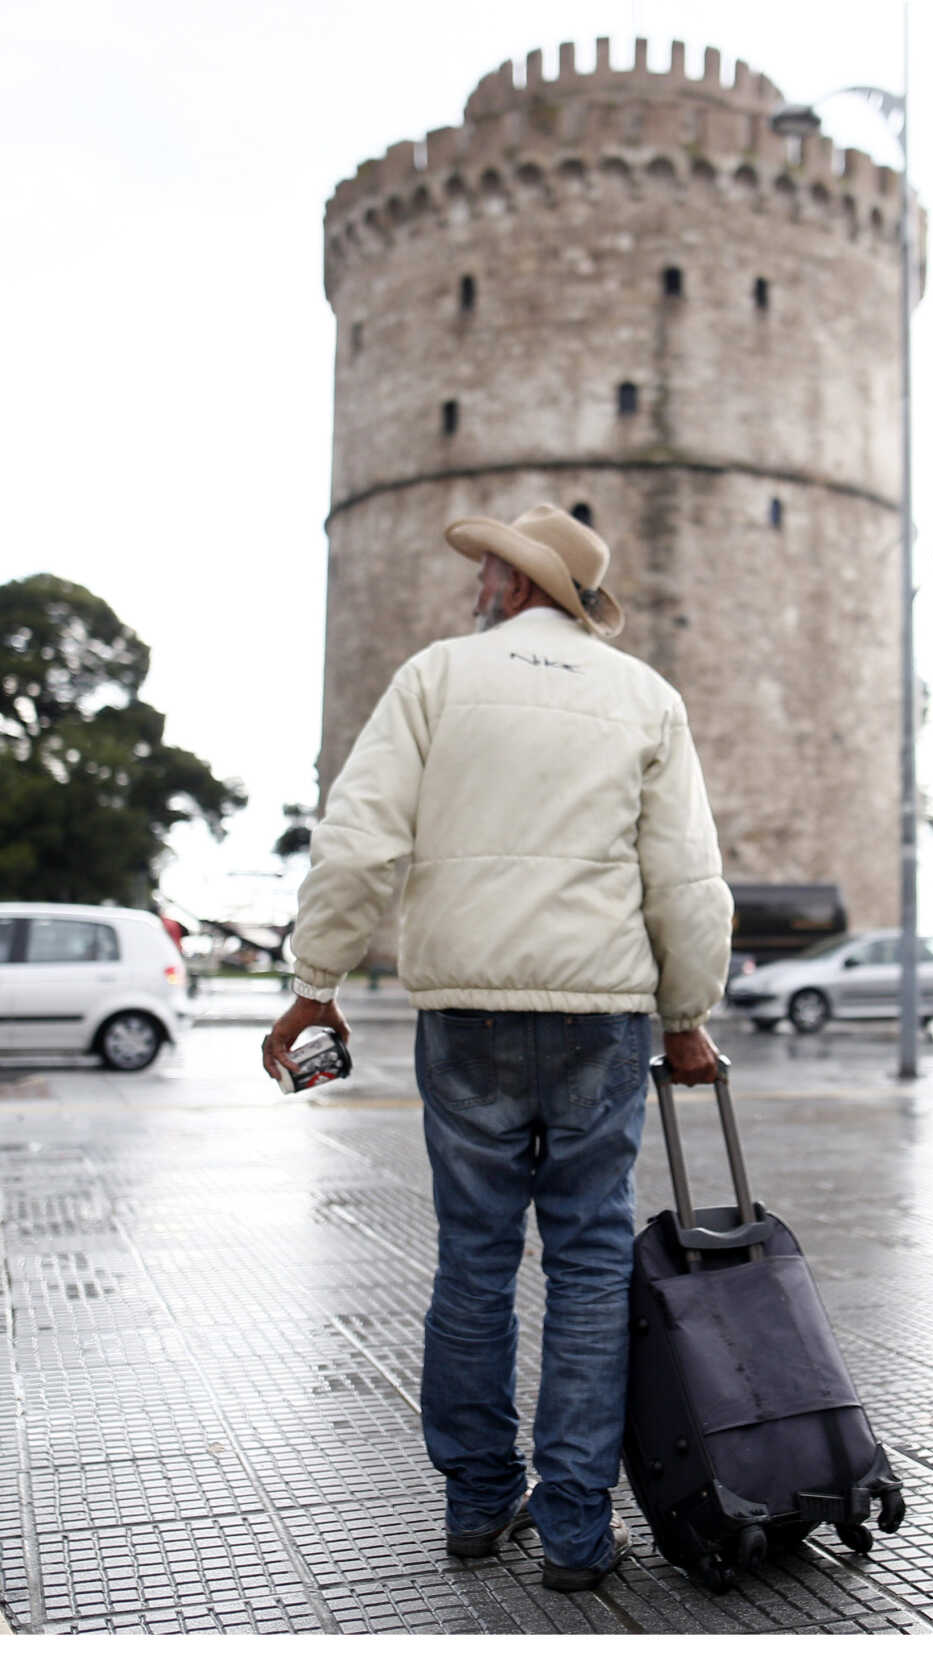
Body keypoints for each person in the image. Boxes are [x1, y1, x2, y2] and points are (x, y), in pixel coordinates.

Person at [263, 502, 732, 1593]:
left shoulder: (435, 678)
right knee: (587, 1269)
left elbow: (358, 838)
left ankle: (478, 1501)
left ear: (518, 588)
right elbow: (687, 880)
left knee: (473, 1263)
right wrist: (687, 1015)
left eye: (488, 568)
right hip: (600, 1018)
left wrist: (313, 986)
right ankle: (574, 1528)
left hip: (465, 1013)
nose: (476, 579)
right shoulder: (645, 697)